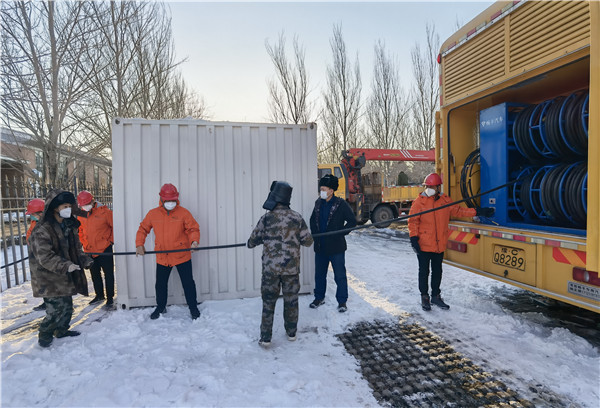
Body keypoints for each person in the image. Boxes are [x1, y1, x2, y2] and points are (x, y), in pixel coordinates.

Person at [408, 173, 494, 311]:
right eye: (427, 186)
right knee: (424, 271)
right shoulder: (419, 202)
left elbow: (460, 211)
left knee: (437, 271)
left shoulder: (445, 201)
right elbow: (413, 221)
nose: (428, 188)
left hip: (438, 244)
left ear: (438, 187)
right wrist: (413, 238)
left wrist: (479, 211)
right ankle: (424, 296)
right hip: (423, 245)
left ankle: (436, 296)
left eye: (431, 186)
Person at [248, 181, 313, 348]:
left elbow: (252, 240)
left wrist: (256, 241)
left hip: (270, 270)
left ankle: (265, 337)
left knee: (268, 302)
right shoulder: (297, 217)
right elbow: (308, 241)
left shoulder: (267, 218)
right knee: (291, 300)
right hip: (291, 269)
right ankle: (291, 332)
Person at [28, 189, 93, 348]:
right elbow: (44, 257)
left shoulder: (68, 225)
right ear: (55, 207)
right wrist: (67, 265)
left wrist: (83, 259)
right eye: (65, 206)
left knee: (67, 307)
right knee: (55, 310)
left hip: (64, 274)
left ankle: (62, 330)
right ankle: (45, 336)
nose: (68, 209)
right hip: (48, 277)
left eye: (70, 205)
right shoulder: (42, 229)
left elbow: (75, 248)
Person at [135, 183, 201, 320]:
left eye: (173, 200)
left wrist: (194, 241)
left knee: (188, 283)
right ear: (162, 199)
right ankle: (160, 307)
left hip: (182, 254)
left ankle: (193, 307)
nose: (171, 203)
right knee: (160, 284)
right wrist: (139, 244)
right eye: (168, 200)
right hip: (162, 256)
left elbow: (193, 229)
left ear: (176, 199)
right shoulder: (153, 214)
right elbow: (143, 229)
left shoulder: (184, 213)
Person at [309, 174, 357, 312]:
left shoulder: (341, 204)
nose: (321, 191)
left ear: (331, 190)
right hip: (320, 246)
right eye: (321, 189)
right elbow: (313, 220)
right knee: (319, 274)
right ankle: (319, 297)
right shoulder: (318, 203)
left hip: (336, 247)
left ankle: (342, 301)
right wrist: (315, 236)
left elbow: (352, 221)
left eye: (323, 189)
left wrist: (340, 232)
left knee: (340, 275)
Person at [77, 190, 115, 307]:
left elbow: (115, 226)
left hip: (104, 249)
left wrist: (111, 241)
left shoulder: (105, 212)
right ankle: (99, 295)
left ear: (93, 201)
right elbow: (80, 231)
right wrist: (84, 244)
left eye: (87, 204)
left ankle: (110, 297)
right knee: (95, 274)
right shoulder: (81, 215)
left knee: (108, 274)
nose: (85, 207)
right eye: (83, 205)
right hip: (90, 250)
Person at [25, 198, 47, 311]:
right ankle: (47, 301)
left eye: (33, 214)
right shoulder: (35, 222)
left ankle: (59, 306)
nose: (31, 216)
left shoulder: (50, 223)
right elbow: (29, 235)